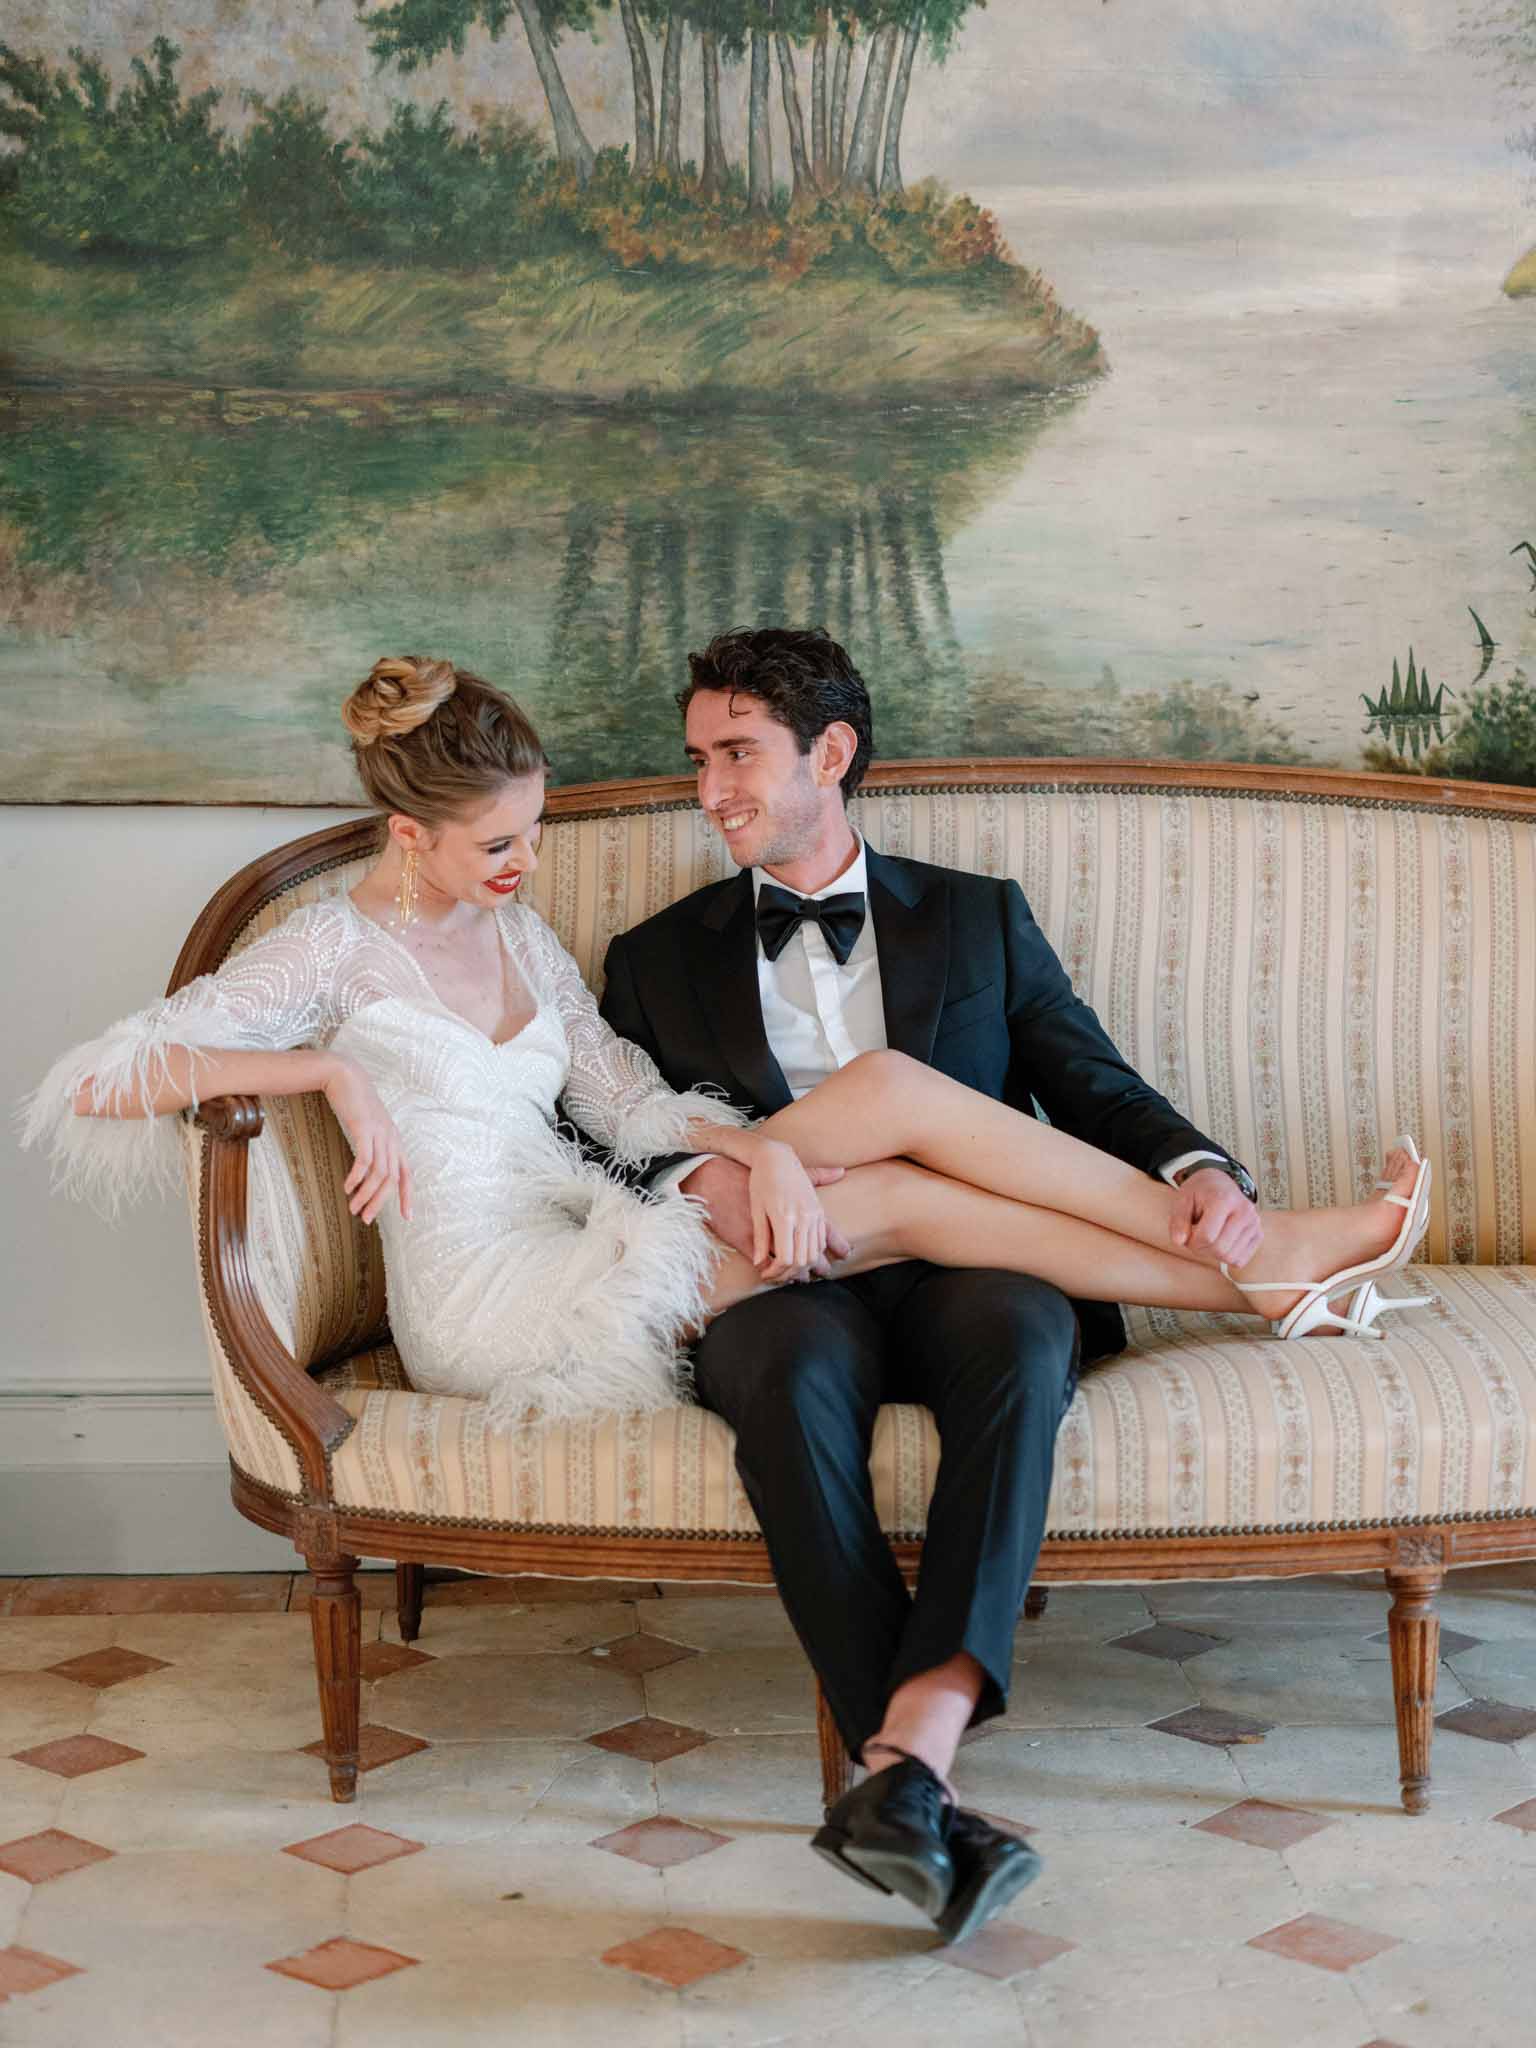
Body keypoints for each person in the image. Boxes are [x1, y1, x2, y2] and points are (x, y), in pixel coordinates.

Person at [23, 650, 1430, 1944]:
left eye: (534, 831)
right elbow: (102, 1078)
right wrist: (327, 1075)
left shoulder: (525, 944)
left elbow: (626, 1103)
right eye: (500, 841)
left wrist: (753, 1148)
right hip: (489, 1290)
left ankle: (917, 1763)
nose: (527, 864)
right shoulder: (331, 950)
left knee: (899, 1153)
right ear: (412, 835)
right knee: (891, 1153)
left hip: (587, 1226)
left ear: (834, 753)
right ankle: (1267, 1275)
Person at [597, 625, 1432, 1941]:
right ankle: (915, 1768)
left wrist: (1198, 1167)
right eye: (698, 761)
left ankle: (902, 1774)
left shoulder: (977, 915)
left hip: (971, 1259)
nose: (710, 792)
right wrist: (731, 1193)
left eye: (738, 757)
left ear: (834, 753)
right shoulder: (651, 956)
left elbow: (1086, 1077)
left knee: (1020, 1344)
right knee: (791, 1378)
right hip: (784, 1278)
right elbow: (610, 1149)